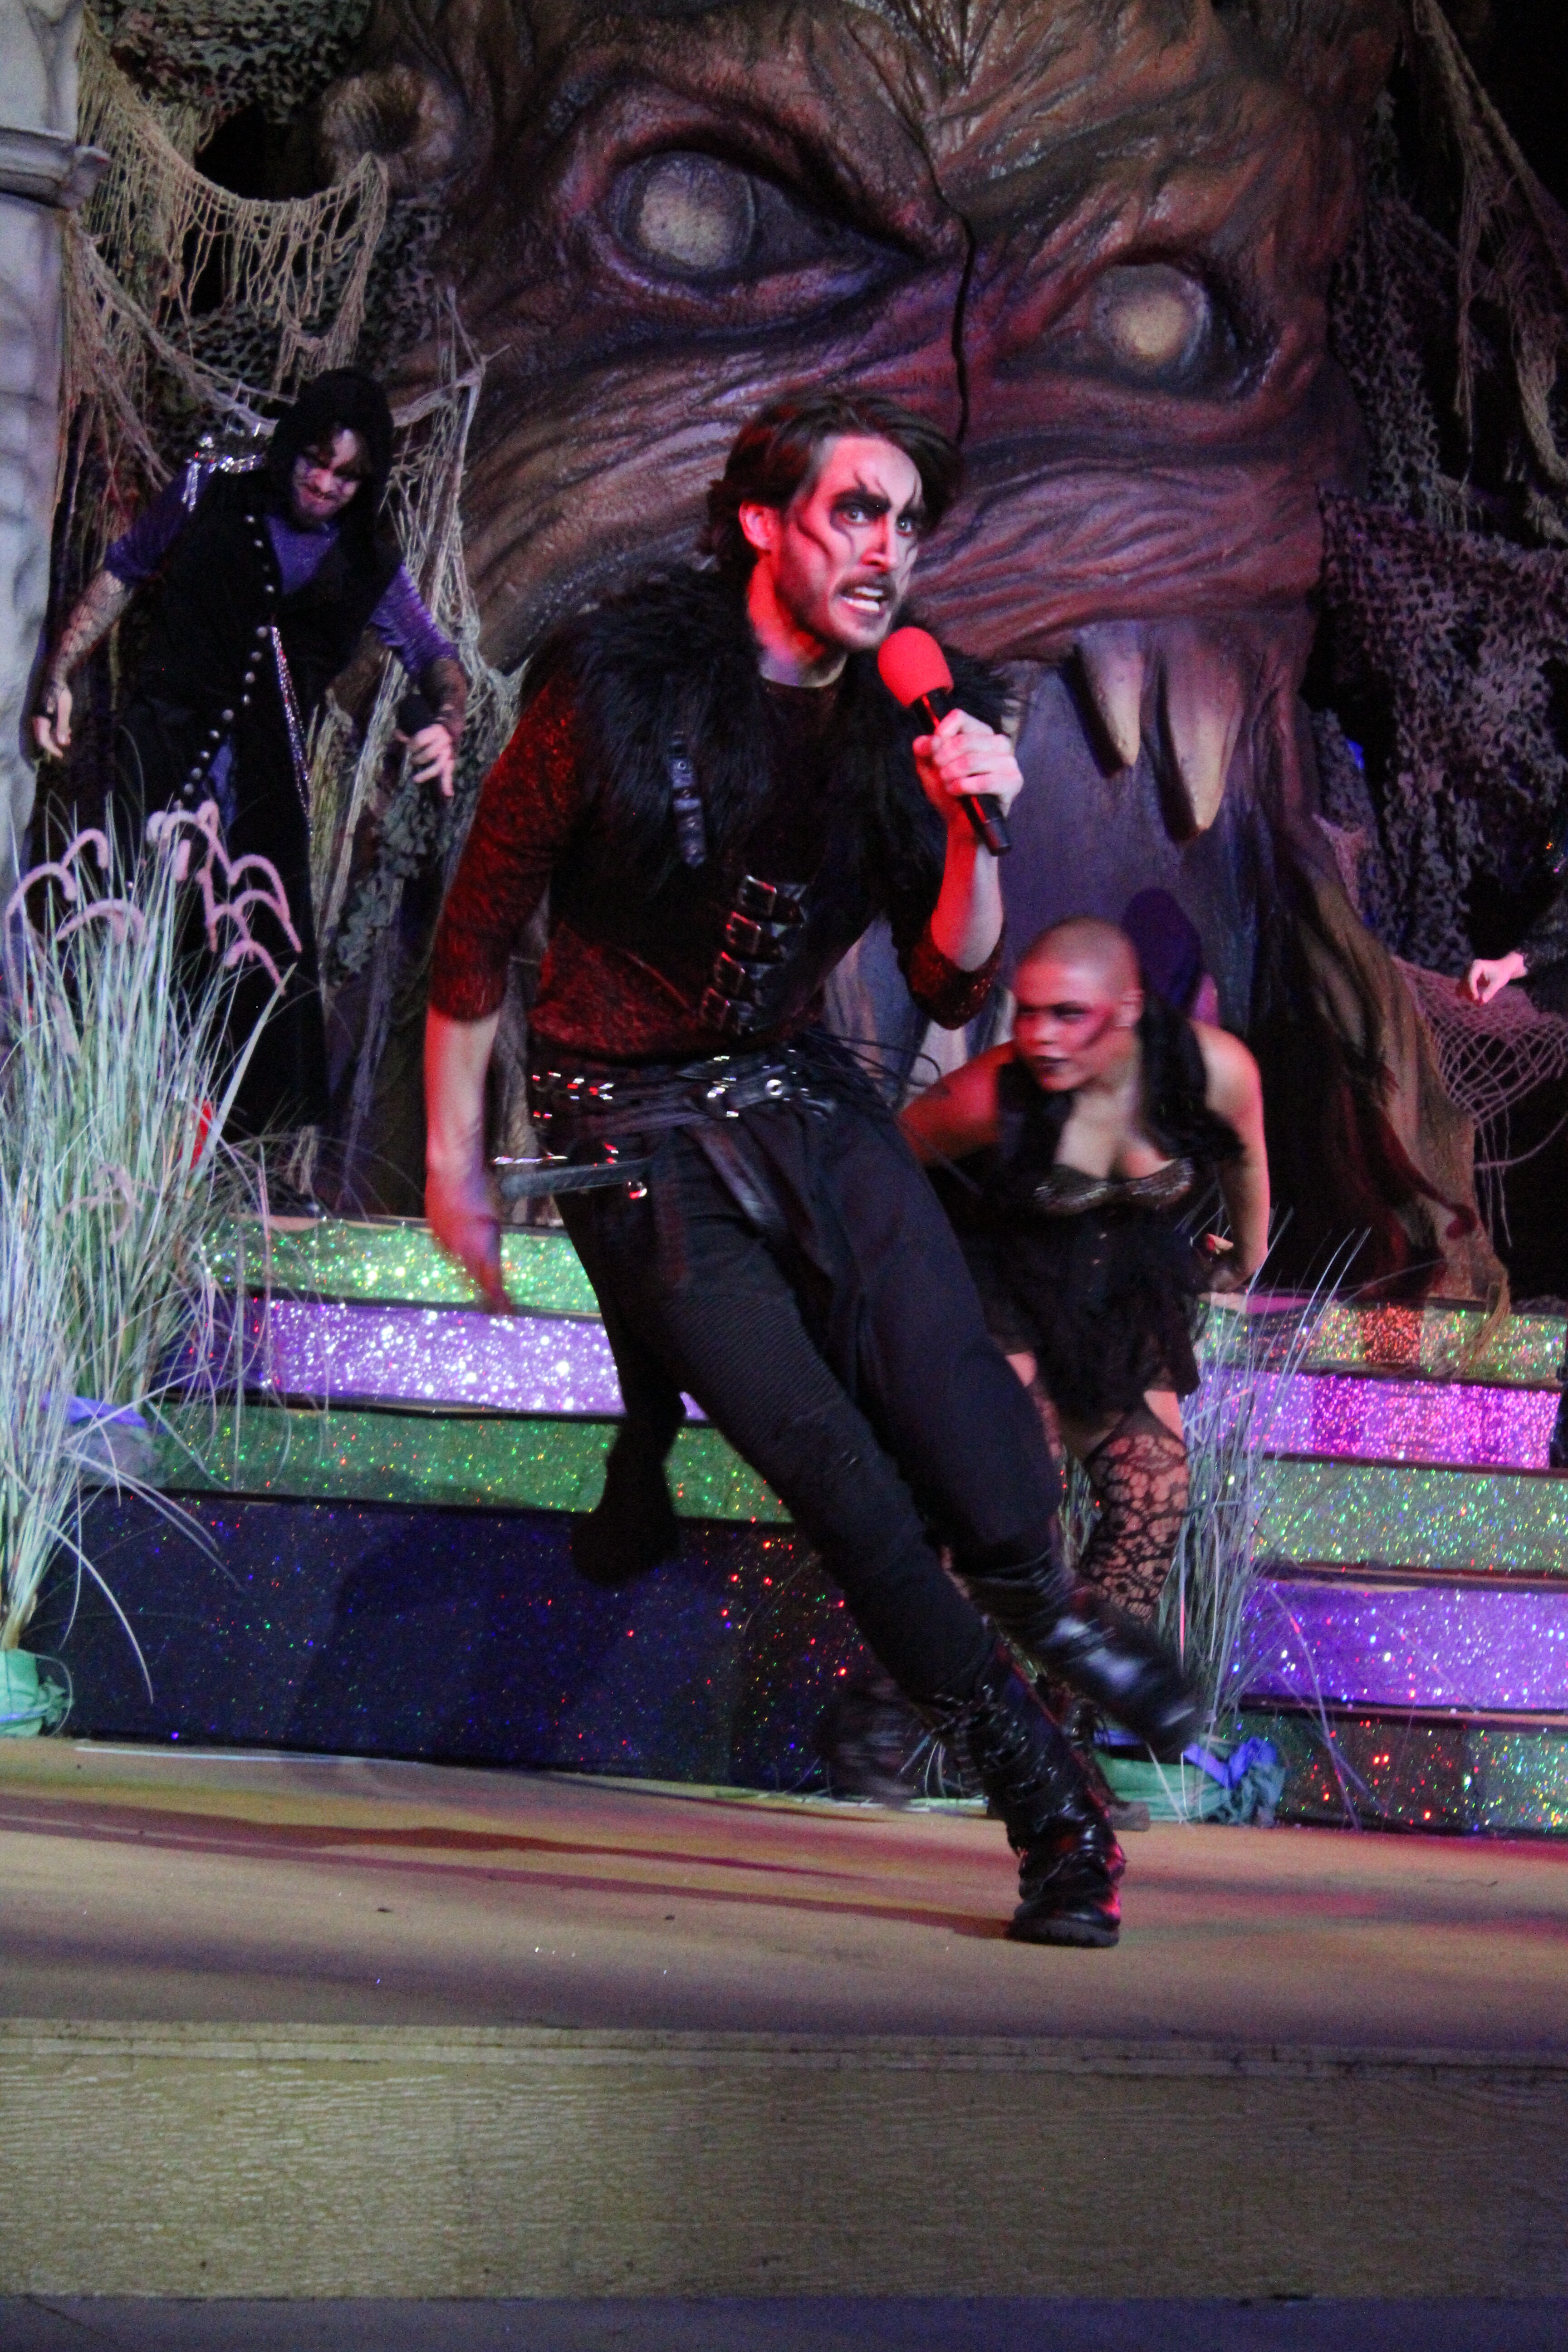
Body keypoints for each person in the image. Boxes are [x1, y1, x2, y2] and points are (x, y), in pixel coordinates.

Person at [422, 388, 1199, 1948]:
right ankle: (1046, 1803)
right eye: (857, 511)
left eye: (908, 522)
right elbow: (479, 926)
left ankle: (1039, 1601)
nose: (887, 548)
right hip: (625, 1120)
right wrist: (455, 1159)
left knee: (967, 1413)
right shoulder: (616, 682)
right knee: (841, 1478)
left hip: (796, 1089)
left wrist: (973, 828)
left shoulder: (908, 720)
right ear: (765, 522)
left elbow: (951, 980)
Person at [32, 368, 466, 1140]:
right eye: (314, 463)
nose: (324, 485)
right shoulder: (212, 489)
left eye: (345, 476)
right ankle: (97, 1132)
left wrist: (447, 722)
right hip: (163, 762)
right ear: (291, 447)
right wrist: (60, 671)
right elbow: (125, 571)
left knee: (246, 988)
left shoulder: (370, 564)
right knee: (124, 947)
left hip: (261, 801)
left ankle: (216, 1161)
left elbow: (437, 659)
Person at [900, 916, 1269, 1802]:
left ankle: (1055, 1736)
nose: (1039, 1036)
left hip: (1120, 1282)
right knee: (1008, 1501)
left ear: (1129, 1010)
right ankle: (965, 1731)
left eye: (1068, 1015)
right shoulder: (988, 1096)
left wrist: (1244, 1260)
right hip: (999, 1272)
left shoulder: (1213, 1072)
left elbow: (1247, 1161)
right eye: (1027, 1013)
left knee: (1154, 1493)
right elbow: (884, 1161)